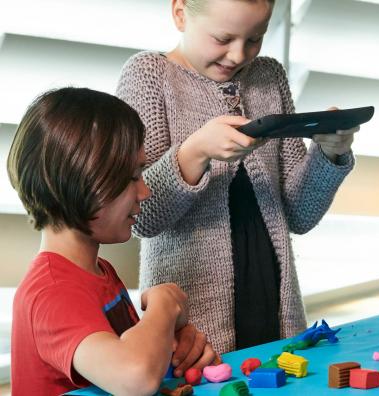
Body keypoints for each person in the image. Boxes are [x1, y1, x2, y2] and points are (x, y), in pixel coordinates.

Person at [116, 0, 358, 353]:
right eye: (222, 37)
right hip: (191, 322)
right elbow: (143, 218)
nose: (237, 54)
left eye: (255, 39)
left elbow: (299, 215)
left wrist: (329, 152)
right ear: (180, 13)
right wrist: (195, 152)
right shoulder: (149, 76)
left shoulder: (268, 78)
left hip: (273, 305)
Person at [9, 88, 215, 395]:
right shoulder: (52, 292)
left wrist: (174, 347)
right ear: (80, 180)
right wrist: (163, 303)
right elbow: (134, 377)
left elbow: (134, 359)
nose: (145, 192)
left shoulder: (98, 271)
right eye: (132, 176)